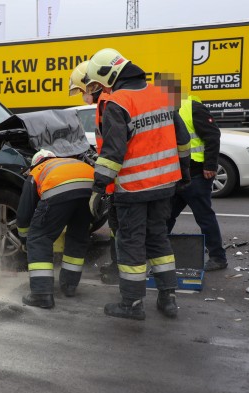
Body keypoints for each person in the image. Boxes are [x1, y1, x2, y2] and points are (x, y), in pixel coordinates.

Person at [83, 48, 191, 320]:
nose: (104, 87)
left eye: (103, 81)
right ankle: (168, 298)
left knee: (131, 244)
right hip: (165, 185)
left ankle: (131, 304)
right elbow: (183, 138)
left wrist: (99, 188)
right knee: (158, 240)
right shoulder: (161, 94)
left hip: (133, 189)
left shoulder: (118, 102)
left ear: (110, 74)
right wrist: (184, 174)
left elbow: (113, 152)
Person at [159, 77, 228, 271]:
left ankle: (218, 257)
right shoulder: (165, 111)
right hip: (176, 175)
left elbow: (213, 135)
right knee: (166, 216)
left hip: (197, 174)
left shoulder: (192, 107)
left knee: (204, 217)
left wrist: (211, 165)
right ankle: (158, 252)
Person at [16, 149, 94, 308]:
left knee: (39, 238)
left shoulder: (38, 171)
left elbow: (24, 213)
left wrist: (25, 238)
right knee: (77, 237)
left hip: (59, 189)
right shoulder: (68, 161)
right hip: (91, 191)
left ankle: (41, 294)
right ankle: (69, 285)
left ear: (35, 163)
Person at [69, 61, 119, 285]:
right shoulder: (106, 104)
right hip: (120, 179)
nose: (82, 96)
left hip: (123, 180)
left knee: (122, 227)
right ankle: (118, 265)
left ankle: (121, 272)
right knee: (117, 226)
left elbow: (114, 148)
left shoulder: (109, 104)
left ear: (92, 86)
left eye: (82, 91)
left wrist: (100, 186)